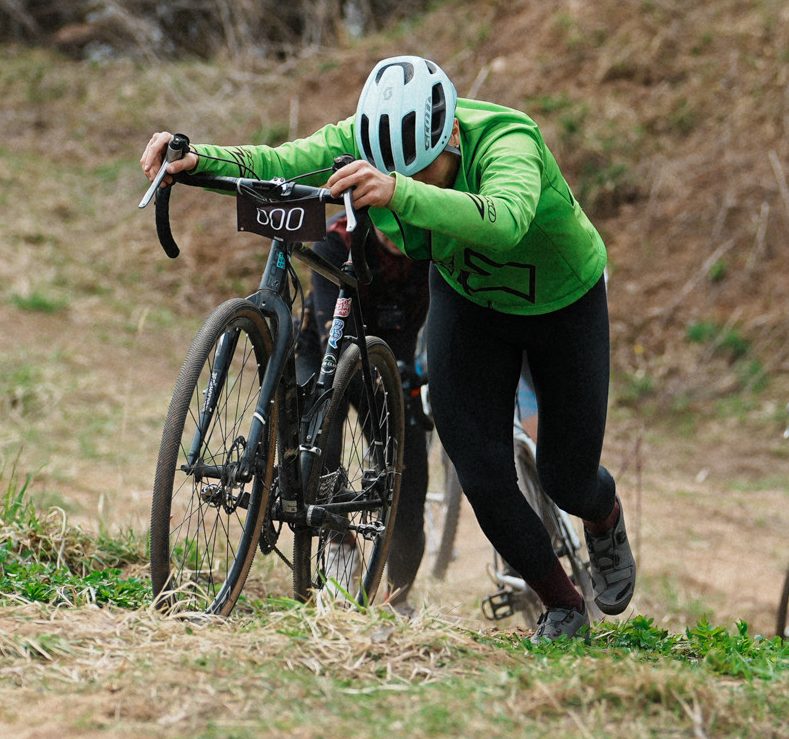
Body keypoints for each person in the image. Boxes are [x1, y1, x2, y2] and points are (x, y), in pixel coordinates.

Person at [140, 55, 634, 640]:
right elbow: (281, 160)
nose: (415, 184)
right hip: (470, 303)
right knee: (477, 463)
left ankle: (604, 520)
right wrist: (197, 160)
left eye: (427, 173)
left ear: (450, 136)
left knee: (566, 477)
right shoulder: (367, 142)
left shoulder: (508, 138)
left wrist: (398, 190)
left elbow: (505, 220)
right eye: (402, 175)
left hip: (563, 304)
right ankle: (562, 604)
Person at [294, 209, 432, 612]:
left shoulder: (431, 251)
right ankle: (339, 543)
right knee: (321, 442)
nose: (399, 241)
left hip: (393, 359)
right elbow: (331, 336)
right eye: (390, 230)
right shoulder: (338, 239)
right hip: (324, 348)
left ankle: (398, 594)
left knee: (410, 477)